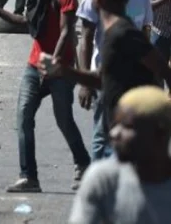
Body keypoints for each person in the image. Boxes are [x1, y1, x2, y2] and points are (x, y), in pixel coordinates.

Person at [0, 0, 90, 193]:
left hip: (58, 68)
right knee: (24, 116)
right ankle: (29, 177)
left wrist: (52, 63)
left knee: (64, 120)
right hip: (33, 65)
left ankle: (83, 165)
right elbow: (26, 22)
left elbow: (67, 32)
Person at [51, 0, 171, 152]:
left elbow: (162, 70)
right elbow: (104, 78)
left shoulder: (123, 34)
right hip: (114, 116)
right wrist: (66, 72)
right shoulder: (111, 33)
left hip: (129, 123)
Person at [76, 0, 152, 162]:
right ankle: (97, 180)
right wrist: (85, 82)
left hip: (134, 79)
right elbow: (86, 40)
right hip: (105, 77)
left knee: (128, 133)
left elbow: (145, 38)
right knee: (103, 133)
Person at [68, 85, 171, 224]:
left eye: (127, 126)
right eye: (115, 125)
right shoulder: (103, 179)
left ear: (160, 133)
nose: (114, 134)